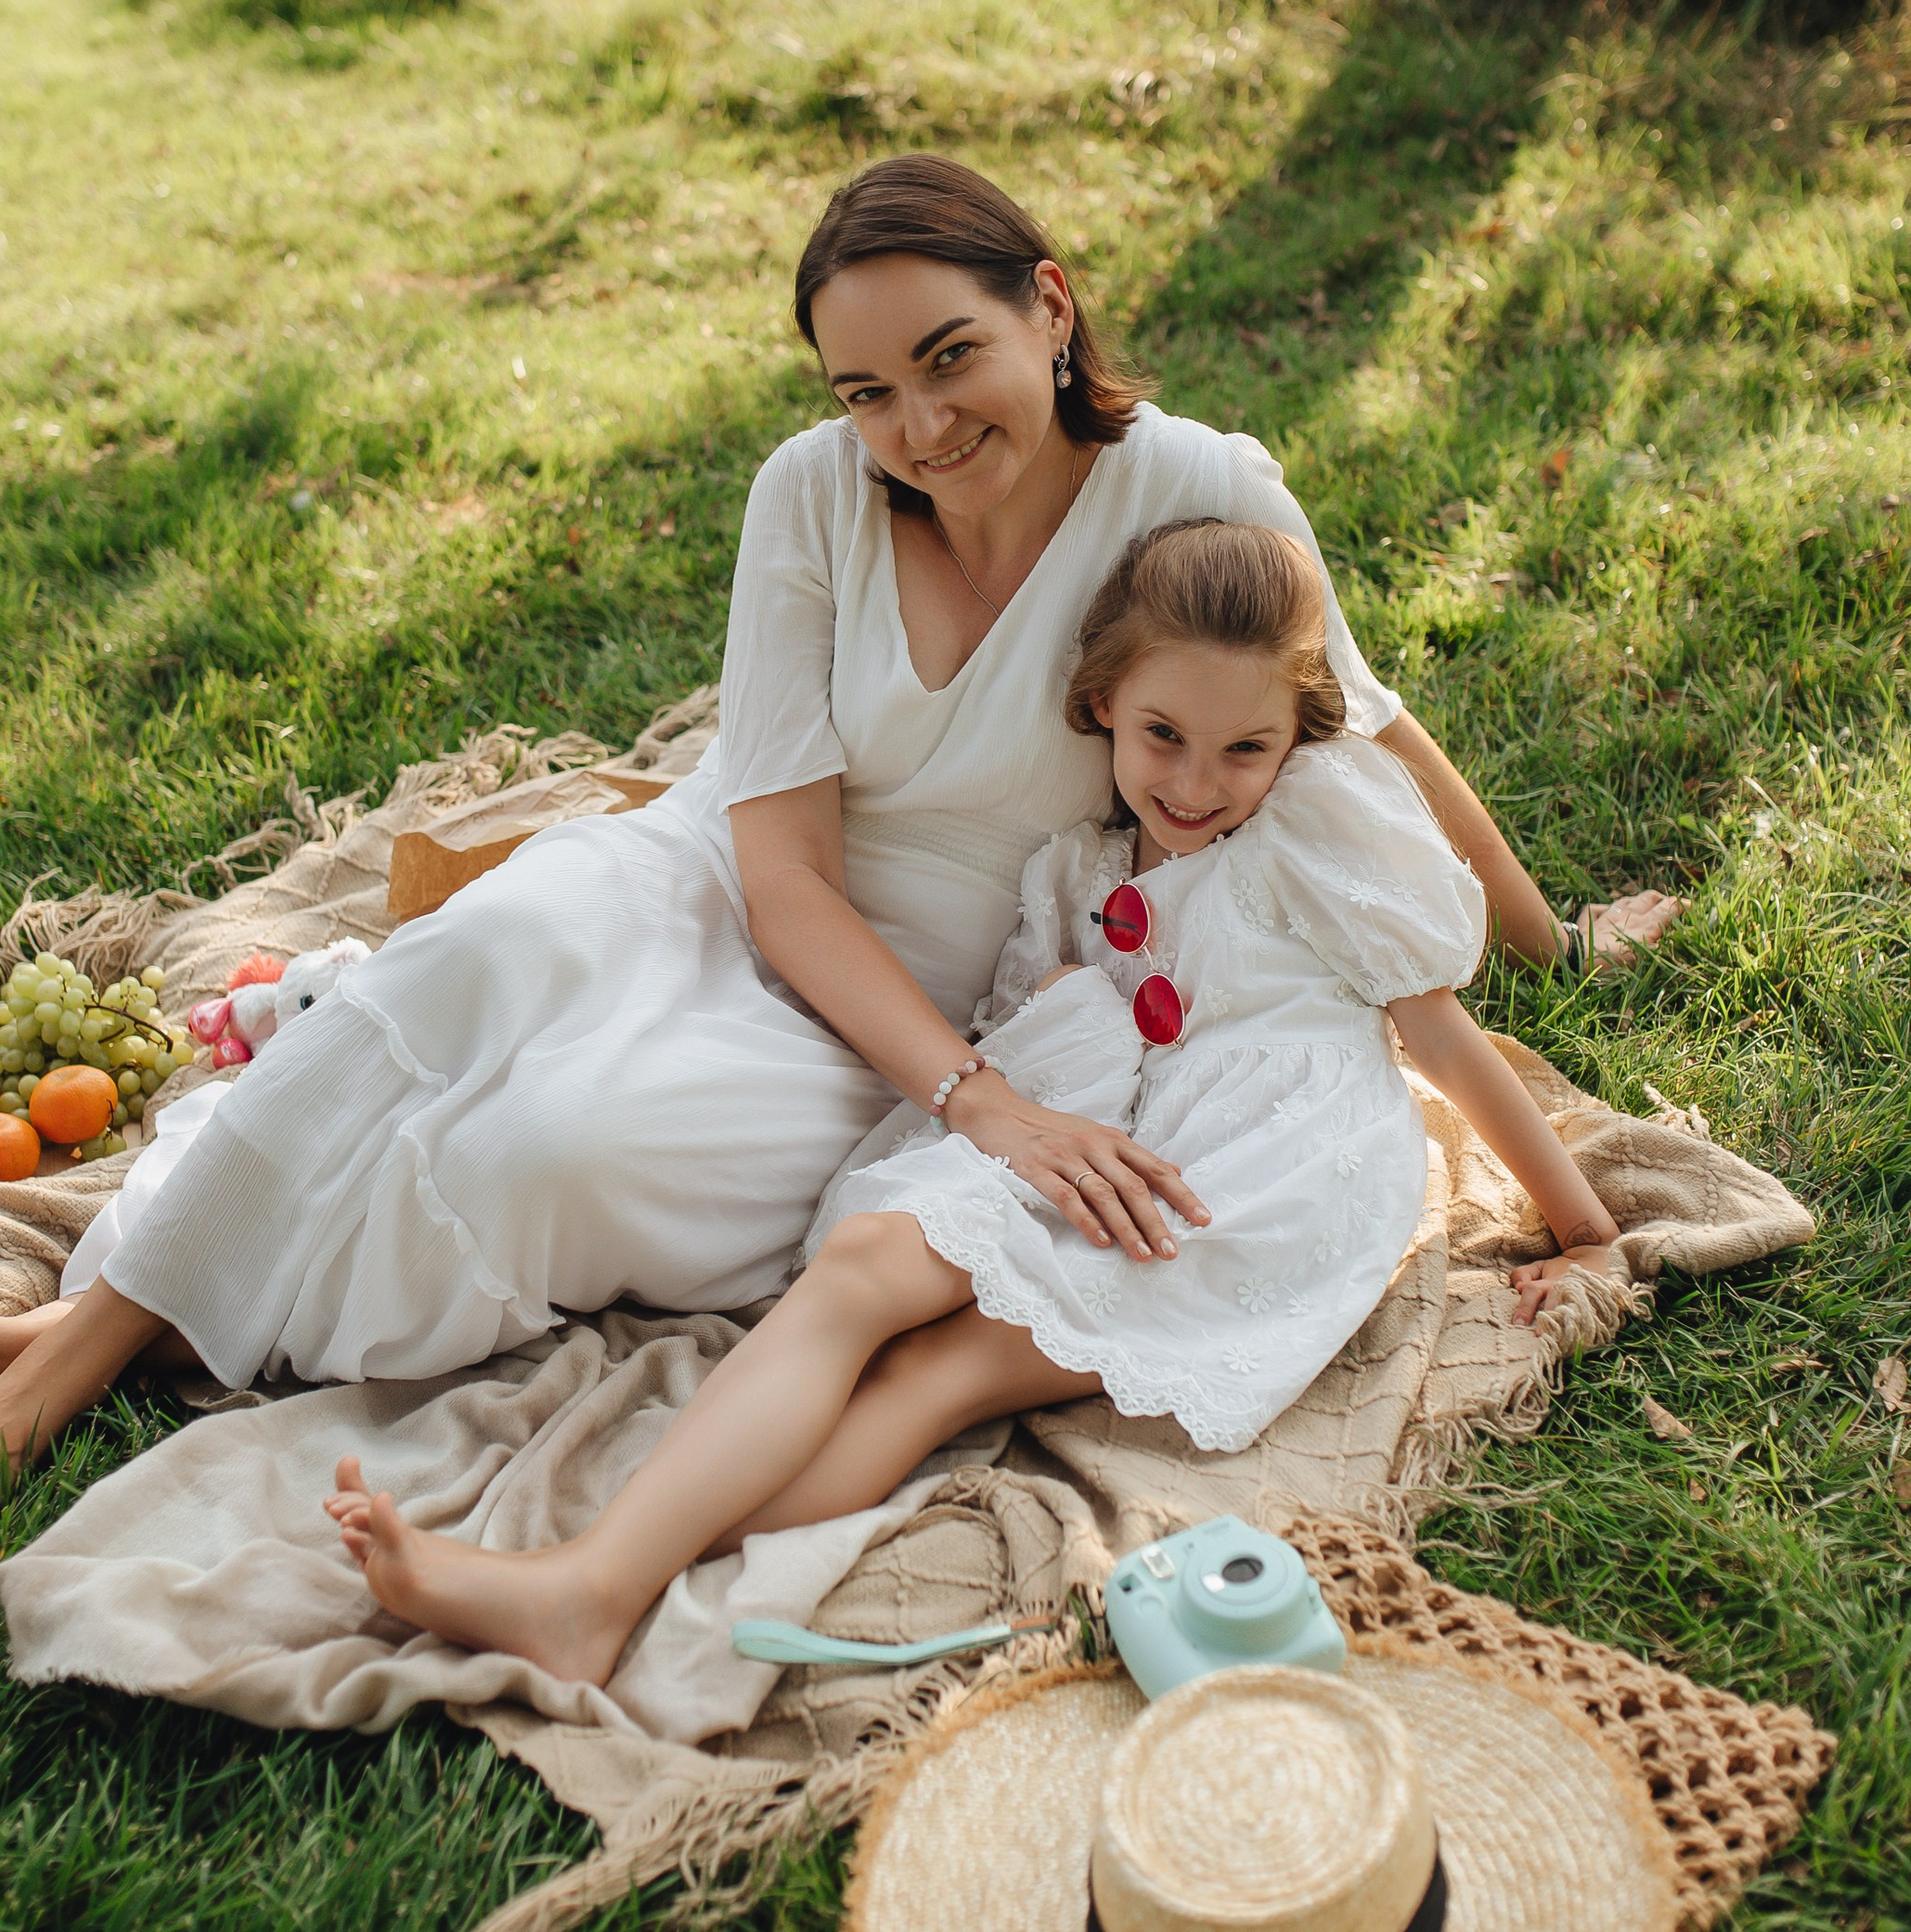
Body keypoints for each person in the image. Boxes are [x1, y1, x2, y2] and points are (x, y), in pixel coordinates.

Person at [0, 154, 1670, 1574]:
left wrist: (1543, 939)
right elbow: (777, 870)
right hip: (736, 886)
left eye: (951, 359)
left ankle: (121, 1315)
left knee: (548, 1154)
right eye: (868, 391)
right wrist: (995, 1119)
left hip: (962, 996)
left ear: (1050, 306)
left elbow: (1355, 719)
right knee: (471, 961)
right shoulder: (808, 497)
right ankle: (53, 1368)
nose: (918, 427)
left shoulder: (1202, 491)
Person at [321, 519, 1624, 1681]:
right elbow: (1020, 1037)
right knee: (875, 1264)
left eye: (1247, 749)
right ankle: (592, 1580)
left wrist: (1585, 1233)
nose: (1195, 784)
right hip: (1111, 1125)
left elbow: (1446, 1047)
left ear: (1299, 739)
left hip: (1259, 1179)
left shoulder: (1311, 846)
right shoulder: (1070, 873)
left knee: (936, 1373)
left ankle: (591, 1589)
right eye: (1163, 736)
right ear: (1104, 705)